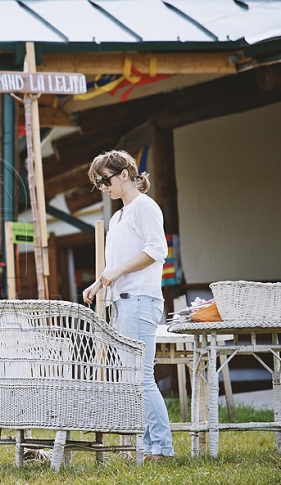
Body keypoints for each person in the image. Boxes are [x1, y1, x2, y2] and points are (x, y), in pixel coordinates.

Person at [82, 150, 174, 462]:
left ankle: (162, 448)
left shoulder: (143, 207)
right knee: (133, 378)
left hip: (140, 299)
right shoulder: (118, 216)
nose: (103, 187)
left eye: (105, 180)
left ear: (124, 174)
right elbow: (116, 263)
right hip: (122, 303)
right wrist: (99, 282)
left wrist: (118, 271)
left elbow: (157, 250)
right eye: (98, 183)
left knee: (141, 377)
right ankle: (150, 447)